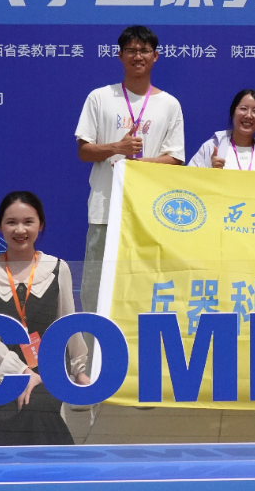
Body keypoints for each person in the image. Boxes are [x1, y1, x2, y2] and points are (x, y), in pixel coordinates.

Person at [75, 25, 185, 368]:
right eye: (131, 50)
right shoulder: (100, 97)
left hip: (148, 218)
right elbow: (84, 150)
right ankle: (91, 370)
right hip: (105, 212)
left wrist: (136, 165)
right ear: (120, 55)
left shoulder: (169, 104)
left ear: (156, 56)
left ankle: (140, 368)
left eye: (144, 50)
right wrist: (117, 148)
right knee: (94, 292)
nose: (138, 56)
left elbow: (175, 159)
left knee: (144, 293)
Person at [0, 191, 89, 446]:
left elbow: (67, 320)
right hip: (1, 369)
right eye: (11, 222)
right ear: (0, 226)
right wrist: (20, 371)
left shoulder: (57, 268)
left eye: (28, 222)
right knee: (2, 438)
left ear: (40, 225)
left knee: (36, 408)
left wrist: (79, 370)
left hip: (47, 369)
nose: (20, 230)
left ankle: (64, 466)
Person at [187, 89, 255, 171]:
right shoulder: (211, 147)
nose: (248, 115)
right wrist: (210, 169)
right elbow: (190, 177)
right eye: (243, 109)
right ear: (233, 112)